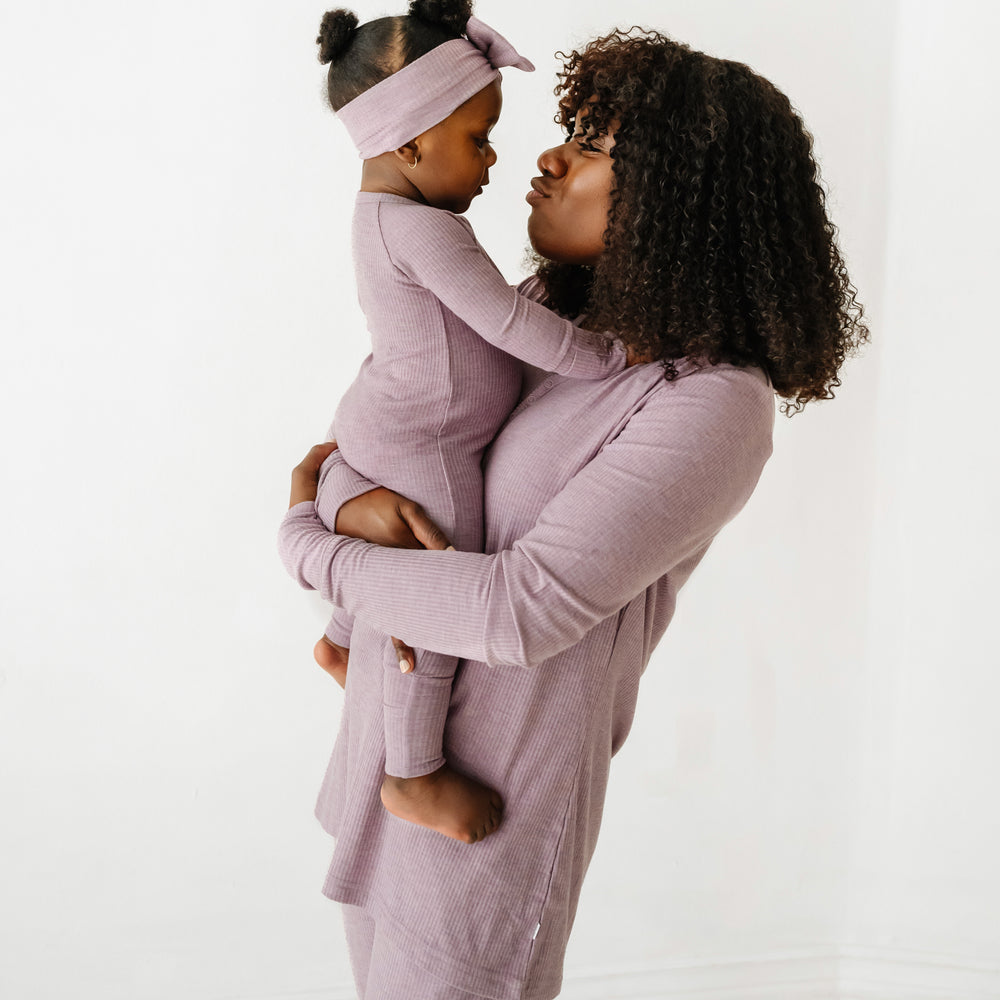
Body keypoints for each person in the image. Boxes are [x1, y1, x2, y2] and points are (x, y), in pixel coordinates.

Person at [279, 25, 868, 1000]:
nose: (546, 157)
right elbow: (378, 443)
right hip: (385, 754)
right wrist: (340, 497)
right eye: (569, 131)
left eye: (594, 144)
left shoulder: (712, 402)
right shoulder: (555, 319)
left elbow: (520, 610)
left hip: (488, 811)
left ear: (686, 197)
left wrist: (308, 541)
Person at [310, 0, 625, 846]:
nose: (494, 160)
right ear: (411, 142)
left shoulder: (395, 218)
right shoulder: (423, 232)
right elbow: (510, 324)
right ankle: (413, 774)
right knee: (442, 587)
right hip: (427, 444)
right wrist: (604, 358)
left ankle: (343, 640)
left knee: (407, 572)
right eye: (479, 138)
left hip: (399, 419)